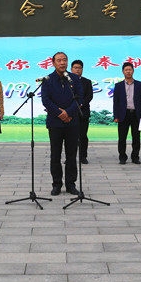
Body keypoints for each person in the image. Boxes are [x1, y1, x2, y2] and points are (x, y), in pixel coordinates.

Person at [41, 51, 83, 196]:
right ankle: (57, 184)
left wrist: (68, 113)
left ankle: (71, 184)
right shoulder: (48, 80)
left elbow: (79, 98)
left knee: (71, 155)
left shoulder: (74, 79)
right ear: (53, 63)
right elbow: (46, 100)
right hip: (55, 122)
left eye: (64, 60)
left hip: (72, 122)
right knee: (55, 155)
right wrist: (60, 113)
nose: (62, 63)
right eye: (59, 60)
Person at [113, 62, 141, 165]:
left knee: (136, 137)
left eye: (130, 69)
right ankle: (122, 157)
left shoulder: (139, 85)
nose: (128, 71)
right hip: (123, 114)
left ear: (133, 71)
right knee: (122, 137)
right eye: (126, 70)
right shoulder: (118, 86)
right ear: (123, 72)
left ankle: (135, 157)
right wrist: (116, 116)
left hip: (136, 114)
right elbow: (116, 102)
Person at [71, 59, 93, 164]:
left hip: (83, 112)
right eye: (75, 68)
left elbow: (89, 96)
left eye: (79, 68)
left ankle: (83, 156)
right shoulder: (66, 81)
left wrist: (80, 103)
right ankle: (70, 157)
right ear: (71, 69)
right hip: (70, 112)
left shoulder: (87, 82)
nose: (77, 70)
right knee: (70, 136)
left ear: (82, 70)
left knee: (83, 136)